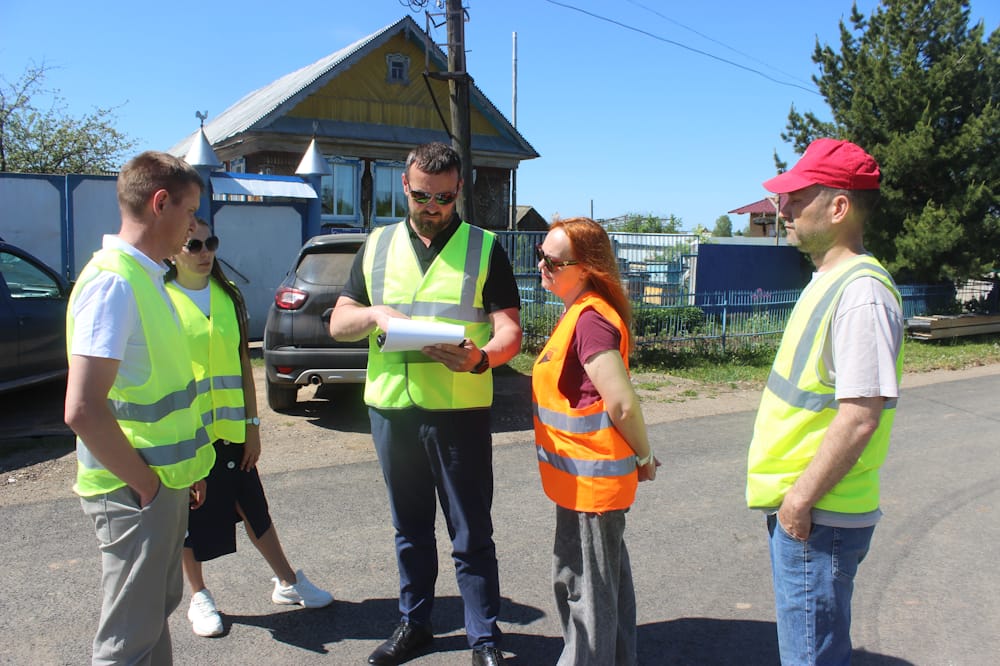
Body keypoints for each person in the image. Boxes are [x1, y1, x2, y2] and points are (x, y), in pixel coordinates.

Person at [328, 142, 522, 666]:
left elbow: (510, 330)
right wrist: (374, 315)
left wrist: (481, 359)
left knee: (470, 530)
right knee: (409, 529)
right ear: (404, 186)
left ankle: (484, 638)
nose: (432, 207)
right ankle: (414, 625)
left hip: (459, 411)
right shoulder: (377, 245)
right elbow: (339, 322)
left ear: (459, 190)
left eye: (443, 197)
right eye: (421, 196)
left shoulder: (484, 247)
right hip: (392, 411)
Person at [746, 138, 904, 665]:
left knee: (810, 658)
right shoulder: (831, 280)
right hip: (812, 509)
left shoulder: (861, 293)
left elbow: (859, 418)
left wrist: (798, 502)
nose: (783, 208)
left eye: (797, 197)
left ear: (838, 207)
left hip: (819, 513)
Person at [64, 151, 216, 665]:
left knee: (149, 621)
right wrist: (149, 486)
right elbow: (82, 409)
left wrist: (181, 473)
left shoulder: (144, 278)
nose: (194, 226)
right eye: (190, 211)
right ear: (160, 203)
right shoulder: (114, 282)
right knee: (126, 641)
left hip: (155, 485)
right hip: (133, 491)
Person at [165, 219, 333, 638]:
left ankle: (287, 581)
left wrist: (253, 426)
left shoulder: (227, 295)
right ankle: (199, 596)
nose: (205, 252)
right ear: (172, 252)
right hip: (187, 435)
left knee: (253, 505)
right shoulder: (161, 299)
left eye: (210, 242)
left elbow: (243, 364)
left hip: (231, 430)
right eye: (193, 245)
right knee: (189, 519)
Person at [531, 217, 658, 666]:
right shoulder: (579, 313)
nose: (541, 265)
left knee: (586, 594)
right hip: (582, 482)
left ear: (585, 268)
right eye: (541, 255)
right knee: (603, 589)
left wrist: (645, 455)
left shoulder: (590, 321)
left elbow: (621, 404)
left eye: (553, 261)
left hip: (592, 485)